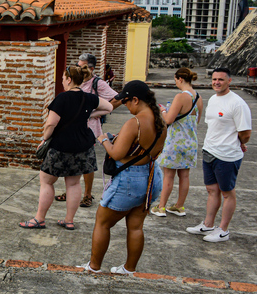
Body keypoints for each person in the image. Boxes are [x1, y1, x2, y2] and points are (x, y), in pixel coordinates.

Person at [79, 81, 165, 274]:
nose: (126, 106)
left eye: (126, 102)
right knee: (135, 227)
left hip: (129, 180)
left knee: (102, 223)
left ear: (135, 99)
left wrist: (103, 140)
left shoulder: (135, 123)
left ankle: (94, 267)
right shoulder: (160, 119)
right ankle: (129, 269)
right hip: (151, 176)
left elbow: (117, 154)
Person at [19, 65, 112, 229]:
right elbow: (109, 107)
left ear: (69, 79)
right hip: (83, 146)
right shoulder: (88, 98)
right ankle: (69, 221)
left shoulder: (62, 98)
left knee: (47, 181)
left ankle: (39, 218)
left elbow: (51, 124)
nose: (62, 81)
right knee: (74, 184)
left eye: (63, 78)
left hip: (61, 145)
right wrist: (89, 115)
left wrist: (43, 139)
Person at [187, 68, 251, 242]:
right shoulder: (214, 99)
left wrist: (239, 142)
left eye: (221, 80)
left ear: (229, 81)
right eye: (214, 79)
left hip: (227, 155)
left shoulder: (237, 104)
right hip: (210, 150)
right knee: (211, 190)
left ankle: (223, 230)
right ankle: (208, 224)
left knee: (227, 192)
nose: (216, 82)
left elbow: (245, 132)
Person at [54, 53, 118, 208]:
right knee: (71, 159)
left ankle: (87, 195)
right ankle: (71, 189)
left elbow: (116, 98)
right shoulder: (77, 81)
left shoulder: (97, 83)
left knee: (87, 163)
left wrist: (94, 114)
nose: (79, 67)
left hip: (89, 128)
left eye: (82, 65)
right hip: (72, 127)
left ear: (91, 68)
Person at [152, 68, 203, 217]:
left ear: (180, 79)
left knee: (168, 175)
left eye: (175, 80)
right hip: (190, 141)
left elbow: (168, 120)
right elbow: (197, 120)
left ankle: (161, 207)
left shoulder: (181, 97)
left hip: (175, 142)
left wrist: (162, 111)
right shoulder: (198, 97)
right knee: (184, 175)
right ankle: (179, 206)